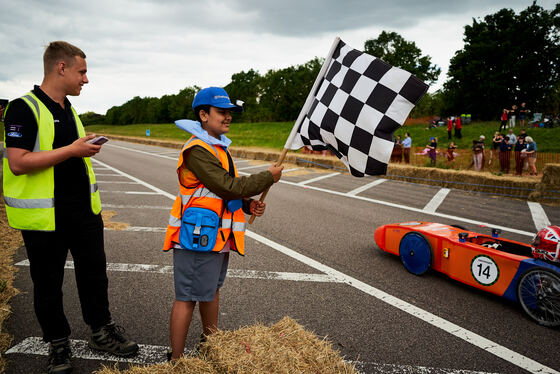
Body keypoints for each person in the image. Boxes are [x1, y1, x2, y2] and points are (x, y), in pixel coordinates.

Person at [2, 41, 138, 374]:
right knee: (47, 284)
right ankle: (58, 344)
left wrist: (81, 145)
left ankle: (101, 331)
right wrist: (72, 150)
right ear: (60, 68)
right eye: (82, 71)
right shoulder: (23, 108)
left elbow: (64, 149)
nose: (86, 79)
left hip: (84, 212)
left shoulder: (67, 108)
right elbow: (18, 162)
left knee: (95, 276)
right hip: (45, 217)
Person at [162, 87, 284, 361]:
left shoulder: (217, 146)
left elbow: (222, 191)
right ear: (203, 115)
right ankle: (177, 361)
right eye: (221, 112)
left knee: (209, 291)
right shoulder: (197, 149)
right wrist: (268, 177)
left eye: (230, 112)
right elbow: (227, 185)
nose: (228, 117)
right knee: (187, 297)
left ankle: (212, 346)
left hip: (214, 236)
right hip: (196, 236)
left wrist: (247, 204)